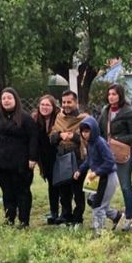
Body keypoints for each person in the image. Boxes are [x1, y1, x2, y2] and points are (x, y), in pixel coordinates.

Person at [0, 88, 38, 228]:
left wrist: (32, 158)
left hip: (20, 164)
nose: (6, 101)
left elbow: (33, 138)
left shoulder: (25, 118)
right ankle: (9, 219)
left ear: (16, 99)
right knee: (7, 192)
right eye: (4, 98)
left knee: (22, 192)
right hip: (0, 163)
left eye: (9, 98)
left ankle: (23, 221)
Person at [97, 83, 132, 231]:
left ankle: (129, 219)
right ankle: (113, 215)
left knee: (125, 185)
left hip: (123, 154)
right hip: (107, 154)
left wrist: (117, 140)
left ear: (120, 95)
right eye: (109, 94)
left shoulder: (128, 112)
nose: (111, 97)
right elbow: (100, 131)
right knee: (102, 186)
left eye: (114, 94)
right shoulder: (105, 111)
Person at [73, 117, 123, 233]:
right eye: (83, 132)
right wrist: (80, 170)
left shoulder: (100, 143)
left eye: (87, 131)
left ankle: (99, 231)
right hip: (98, 178)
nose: (85, 134)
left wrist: (96, 172)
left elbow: (110, 161)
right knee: (94, 202)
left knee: (98, 206)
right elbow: (89, 160)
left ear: (94, 130)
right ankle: (117, 216)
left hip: (107, 177)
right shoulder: (90, 143)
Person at [50, 90, 89, 226]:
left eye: (69, 102)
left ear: (76, 102)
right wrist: (60, 135)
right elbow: (52, 137)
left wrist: (74, 137)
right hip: (62, 156)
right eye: (64, 102)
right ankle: (66, 215)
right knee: (64, 189)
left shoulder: (84, 118)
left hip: (77, 157)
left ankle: (78, 217)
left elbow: (89, 138)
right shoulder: (59, 117)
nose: (66, 105)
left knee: (77, 190)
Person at [33, 95, 62, 225]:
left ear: (53, 107)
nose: (44, 107)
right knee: (51, 185)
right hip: (45, 158)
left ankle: (65, 212)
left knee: (61, 185)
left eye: (48, 105)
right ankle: (54, 212)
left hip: (59, 156)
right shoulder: (35, 119)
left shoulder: (59, 118)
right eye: (42, 105)